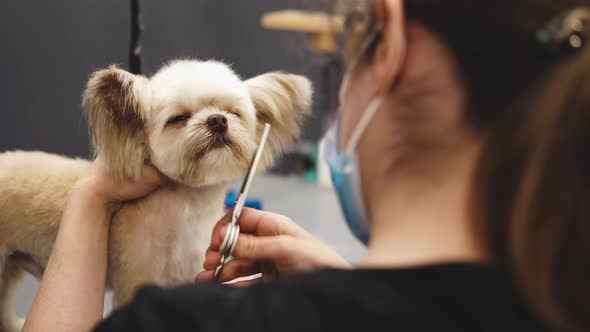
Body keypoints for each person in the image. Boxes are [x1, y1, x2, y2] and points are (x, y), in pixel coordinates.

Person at [22, 0, 590, 331]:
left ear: (386, 43)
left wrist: (89, 196)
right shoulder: (560, 305)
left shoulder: (180, 323)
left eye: (340, 50)